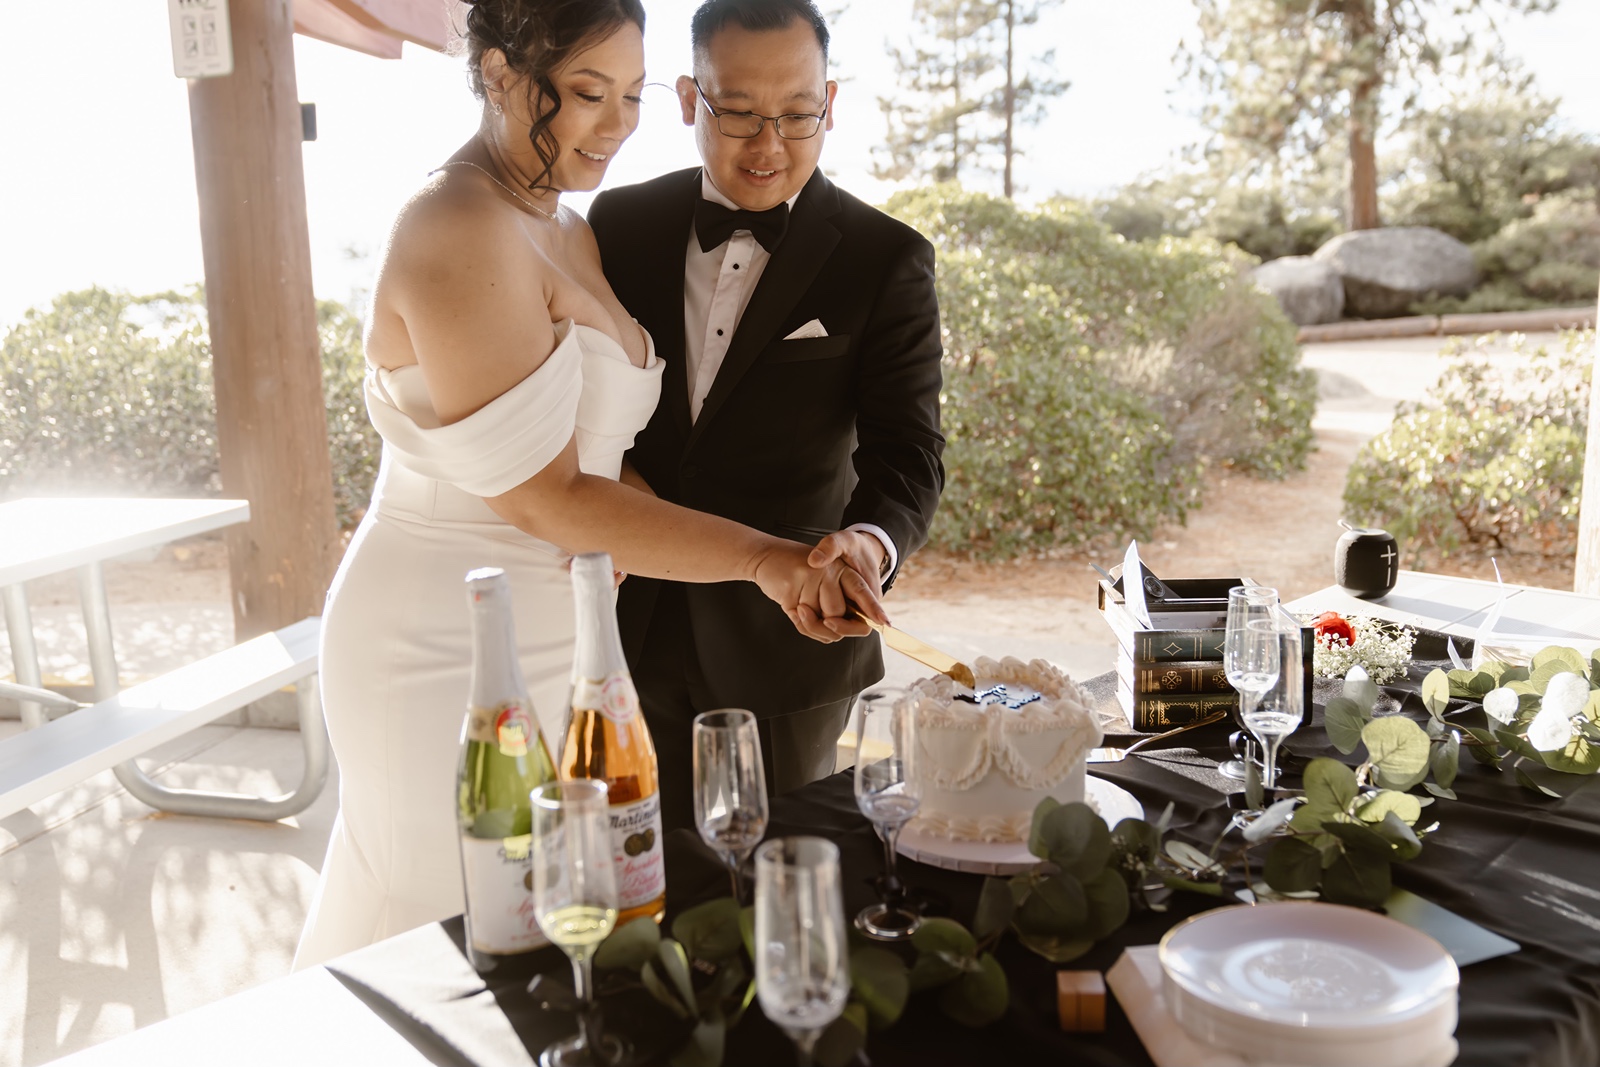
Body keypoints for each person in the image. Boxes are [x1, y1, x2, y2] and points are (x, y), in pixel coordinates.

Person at [293, 0, 885, 970]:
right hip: (438, 636)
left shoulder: (565, 227)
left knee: (545, 920)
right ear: (494, 74)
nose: (616, 125)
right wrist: (765, 560)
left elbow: (593, 459)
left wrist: (653, 529)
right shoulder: (456, 224)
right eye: (585, 94)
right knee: (439, 935)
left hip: (563, 623)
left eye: (633, 96)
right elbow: (551, 496)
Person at [587, 0, 946, 834]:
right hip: (623, 625)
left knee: (774, 885)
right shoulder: (618, 224)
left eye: (798, 114)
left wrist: (868, 542)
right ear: (688, 98)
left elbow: (910, 457)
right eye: (739, 113)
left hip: (787, 645)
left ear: (831, 103)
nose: (770, 145)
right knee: (630, 873)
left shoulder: (885, 258)